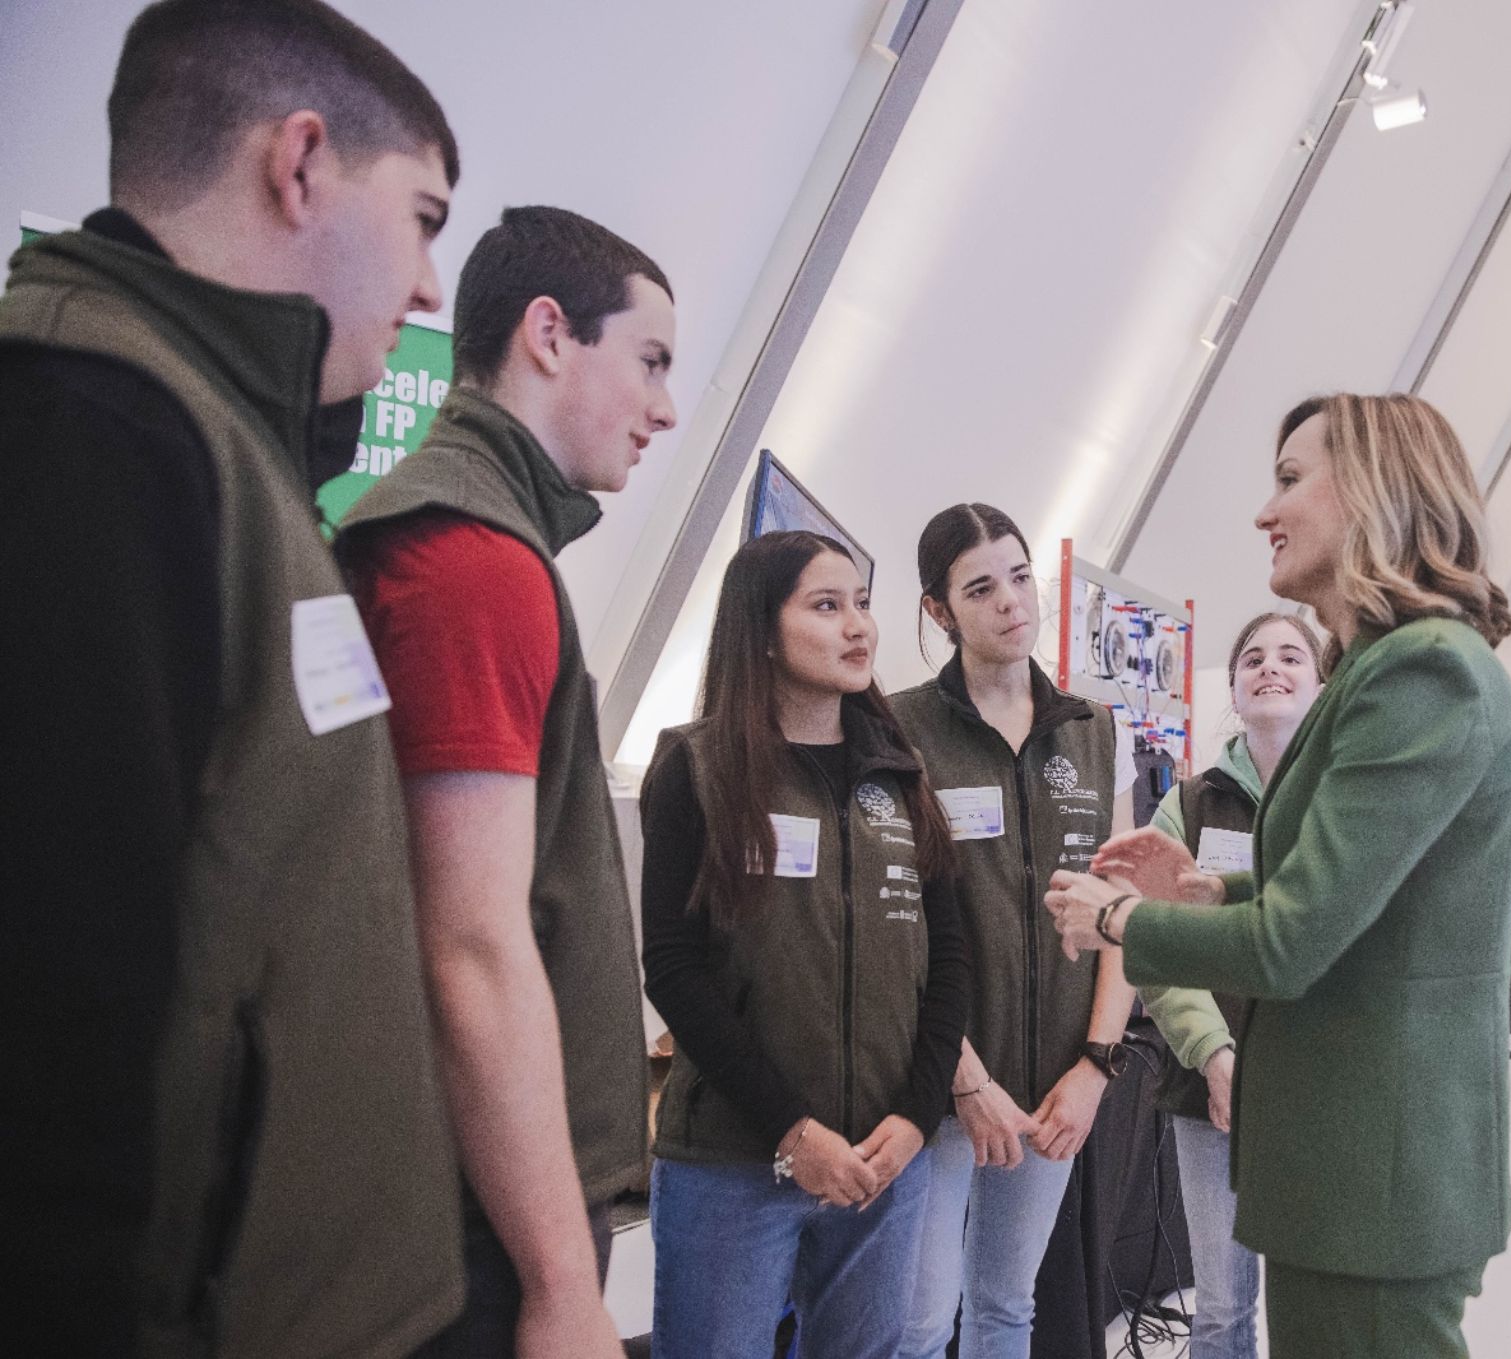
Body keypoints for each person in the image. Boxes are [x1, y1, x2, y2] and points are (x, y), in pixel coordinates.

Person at [0, 3, 465, 1352]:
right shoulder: (85, 428)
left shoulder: (220, 438)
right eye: (425, 215)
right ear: (302, 162)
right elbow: (50, 1008)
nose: (432, 284)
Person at [1046, 393, 1511, 1357]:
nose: (1265, 513)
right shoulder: (1385, 670)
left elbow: (1295, 941)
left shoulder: (1420, 673)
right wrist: (1211, 893)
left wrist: (1121, 922)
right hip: (1354, 1176)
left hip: (1372, 1182)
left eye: (1290, 480)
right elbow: (1368, 906)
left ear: (1376, 489)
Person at [336, 208, 678, 1355]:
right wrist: (559, 1282)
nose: (666, 409)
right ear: (548, 332)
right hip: (471, 1215)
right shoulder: (473, 561)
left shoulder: (480, 543)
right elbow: (472, 943)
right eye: (651, 360)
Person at [638, 531, 971, 1357]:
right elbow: (673, 970)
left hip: (883, 1161)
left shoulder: (904, 775)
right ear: (761, 630)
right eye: (827, 606)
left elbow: (952, 962)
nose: (858, 626)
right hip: (734, 1163)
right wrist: (792, 1131)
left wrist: (917, 1117)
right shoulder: (696, 766)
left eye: (861, 602)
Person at [893, 503, 1139, 1358]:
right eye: (980, 586)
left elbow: (1123, 913)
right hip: (941, 1083)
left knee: (1006, 1306)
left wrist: (1097, 1066)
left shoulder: (1095, 730)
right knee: (920, 1321)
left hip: (1055, 1088)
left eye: (1021, 576)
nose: (1010, 601)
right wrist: (963, 1077)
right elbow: (899, 928)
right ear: (938, 610)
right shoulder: (902, 731)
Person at [1142, 612, 1325, 1358]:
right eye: (1253, 657)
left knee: (1316, 1304)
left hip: (1327, 1094)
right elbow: (1156, 945)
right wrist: (1214, 1053)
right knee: (1221, 1308)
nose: (1270, 667)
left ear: (1323, 685)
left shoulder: (1345, 801)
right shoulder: (1186, 805)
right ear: (1235, 687)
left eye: (1291, 655)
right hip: (1207, 1095)